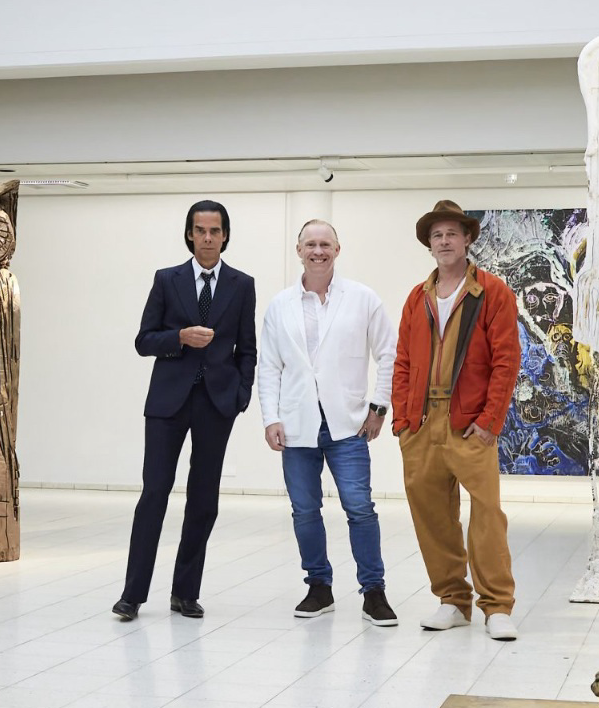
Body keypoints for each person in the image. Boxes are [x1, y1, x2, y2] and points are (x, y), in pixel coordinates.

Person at [114, 201, 256, 621]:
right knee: (154, 493)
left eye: (215, 231)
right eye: (200, 230)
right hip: (167, 402)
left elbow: (247, 349)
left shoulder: (242, 284)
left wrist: (240, 395)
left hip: (216, 404)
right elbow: (144, 340)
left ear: (225, 235)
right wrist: (179, 337)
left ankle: (185, 592)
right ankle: (132, 595)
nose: (208, 238)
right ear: (189, 234)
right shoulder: (166, 280)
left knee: (203, 499)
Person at [393, 200, 521, 640]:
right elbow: (403, 361)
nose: (444, 241)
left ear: (467, 239)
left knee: (486, 513)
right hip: (421, 422)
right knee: (431, 514)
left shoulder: (492, 292)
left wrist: (490, 421)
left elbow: (507, 361)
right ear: (429, 245)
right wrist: (403, 420)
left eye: (451, 234)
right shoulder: (418, 297)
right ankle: (452, 600)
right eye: (437, 236)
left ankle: (497, 606)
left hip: (470, 424)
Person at [259, 220, 397, 625]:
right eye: (310, 244)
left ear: (338, 249)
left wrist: (379, 406)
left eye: (325, 244)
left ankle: (374, 591)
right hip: (297, 425)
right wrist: (271, 417)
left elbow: (388, 354)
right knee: (304, 511)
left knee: (360, 509)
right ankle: (318, 586)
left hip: (348, 424)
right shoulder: (280, 305)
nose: (318, 251)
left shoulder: (362, 298)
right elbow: (268, 366)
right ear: (298, 250)